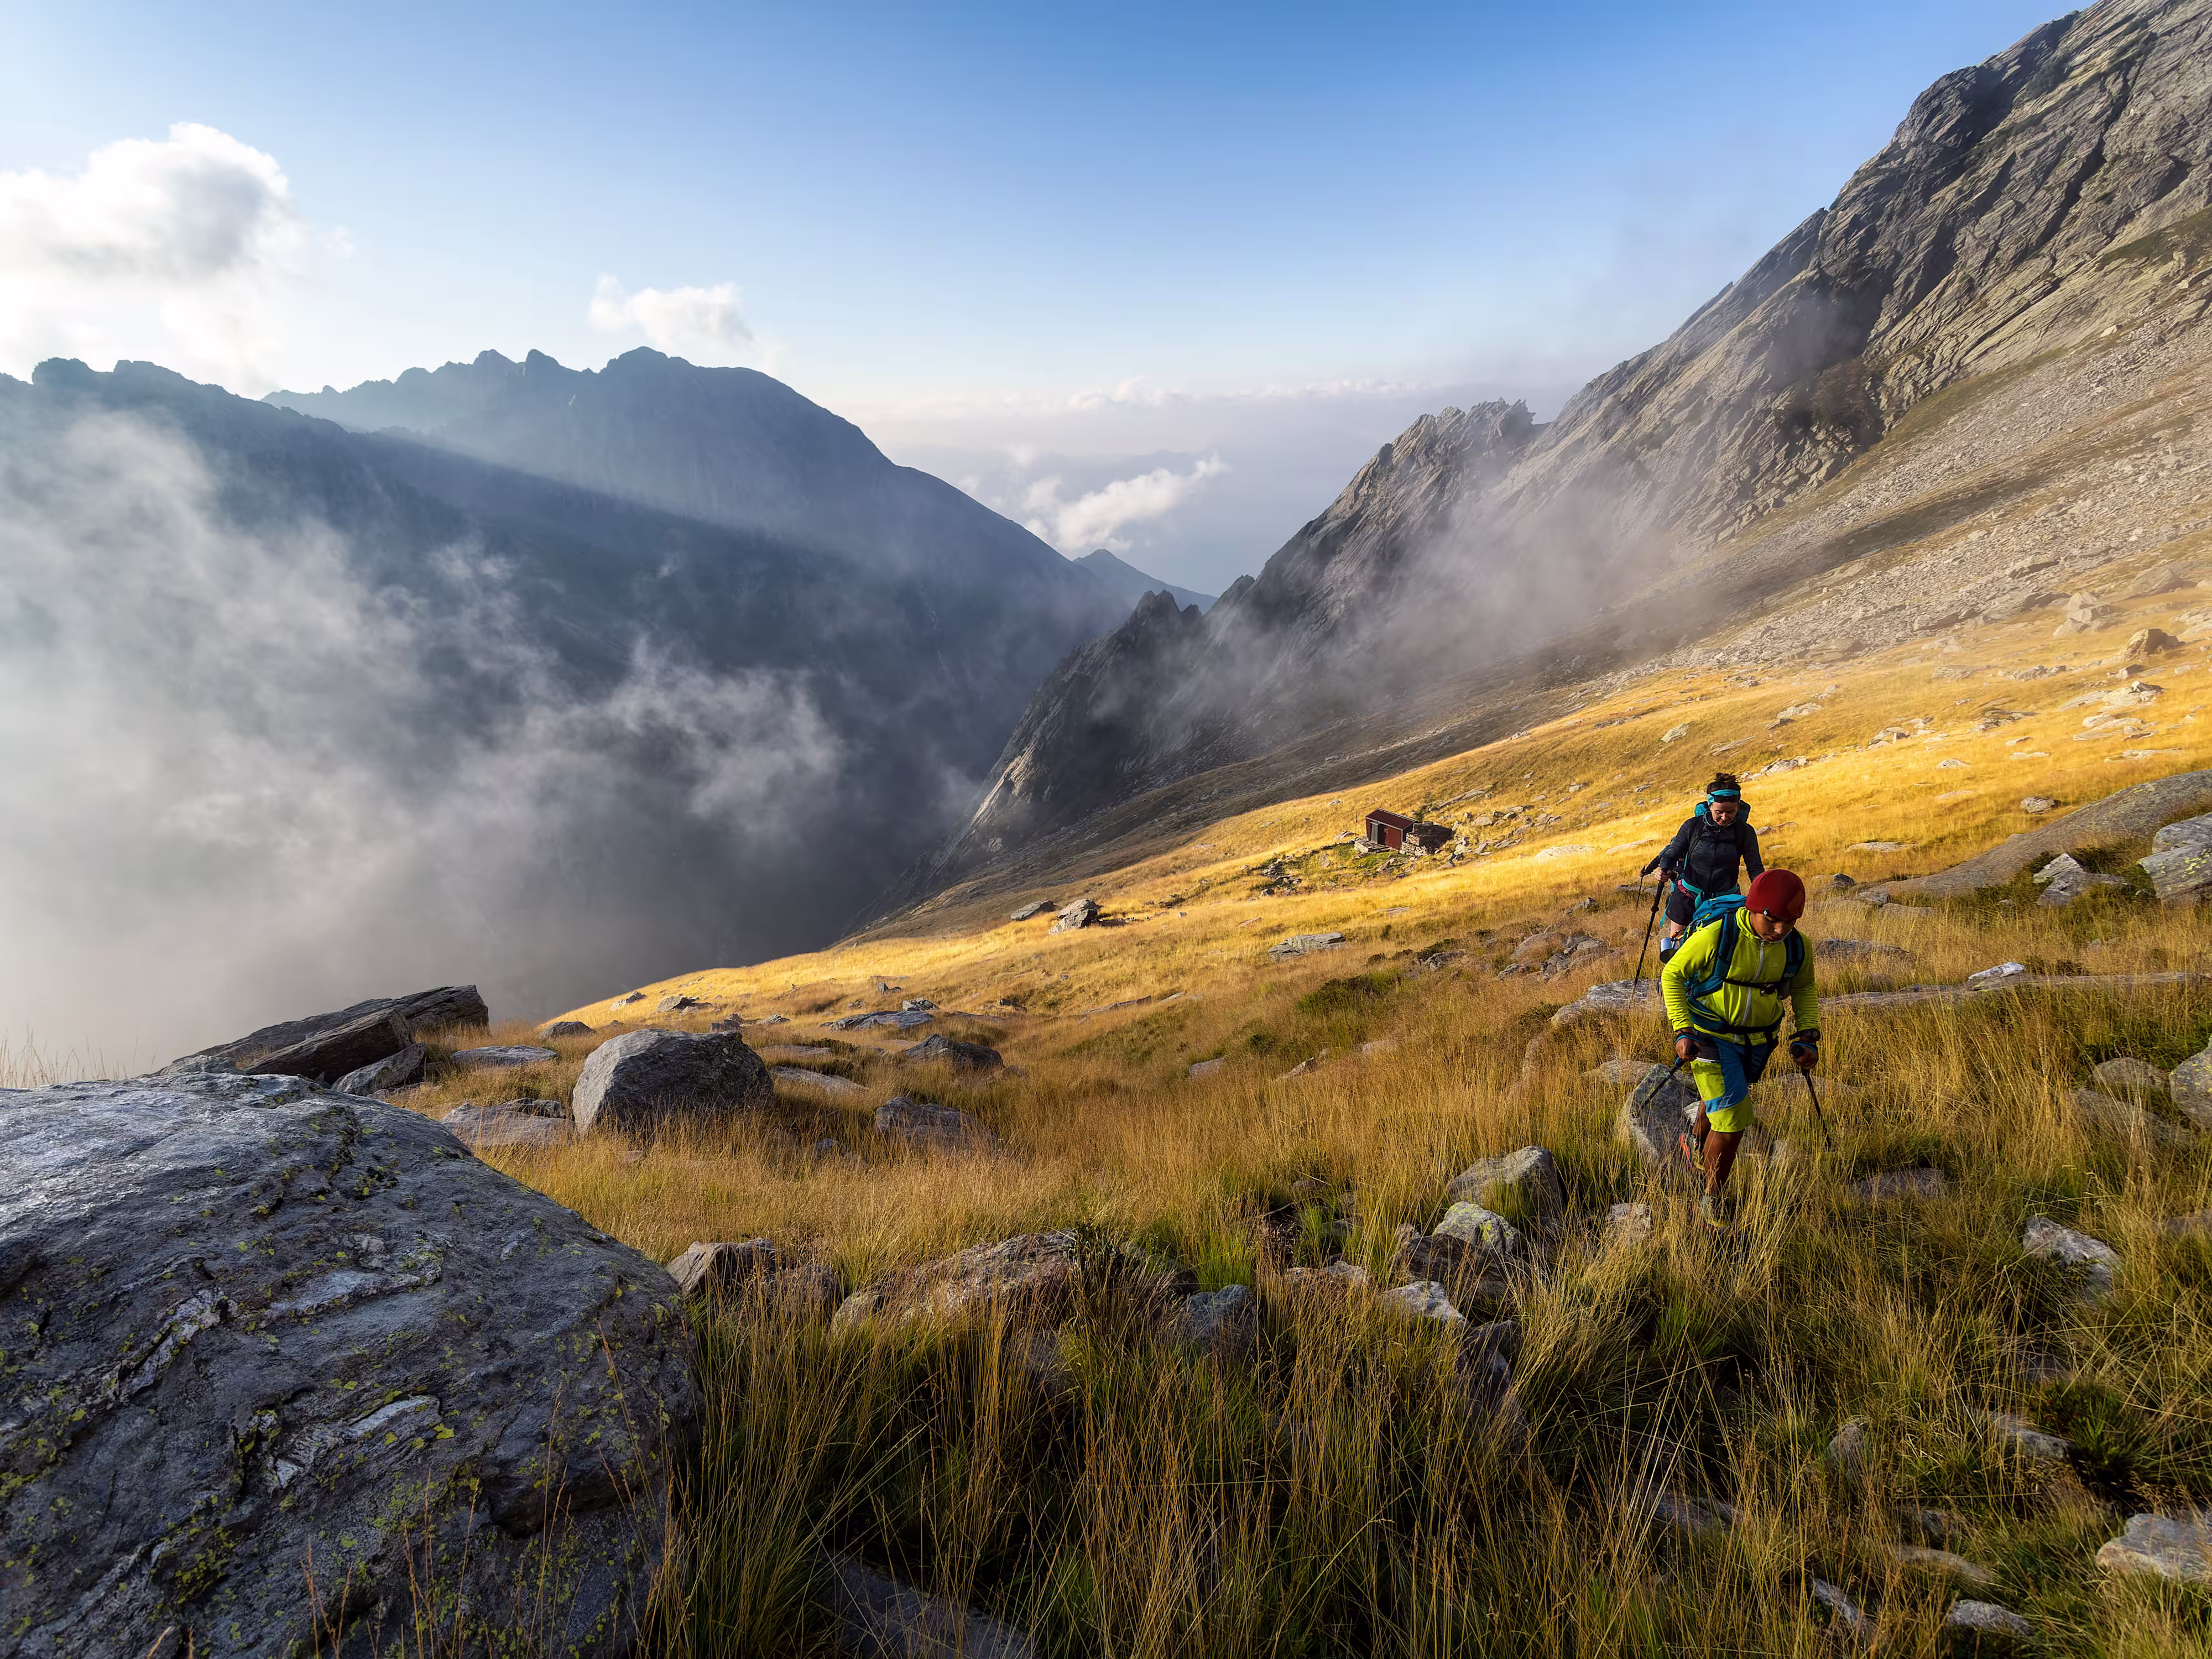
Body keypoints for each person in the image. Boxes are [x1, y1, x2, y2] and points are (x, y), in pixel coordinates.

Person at [1660, 868, 1819, 1230]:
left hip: (1757, 1040)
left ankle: (1693, 1141)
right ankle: (1712, 1199)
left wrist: (1808, 1034)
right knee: (1732, 1124)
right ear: (1754, 908)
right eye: (1773, 920)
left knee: (1723, 1103)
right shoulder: (1721, 934)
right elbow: (1673, 974)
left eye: (1790, 921)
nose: (1781, 930)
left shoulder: (1796, 946)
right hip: (1709, 1037)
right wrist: (1682, 1029)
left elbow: (1805, 988)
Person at [1641, 773, 1763, 960]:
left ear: (1738, 807)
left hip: (1726, 901)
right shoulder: (1693, 826)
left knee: (1722, 952)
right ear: (1710, 805)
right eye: (1719, 812)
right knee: (1679, 951)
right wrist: (1663, 869)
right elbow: (1672, 852)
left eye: (1731, 812)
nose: (1724, 817)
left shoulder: (1745, 832)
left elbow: (1754, 867)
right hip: (1687, 898)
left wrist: (1763, 890)